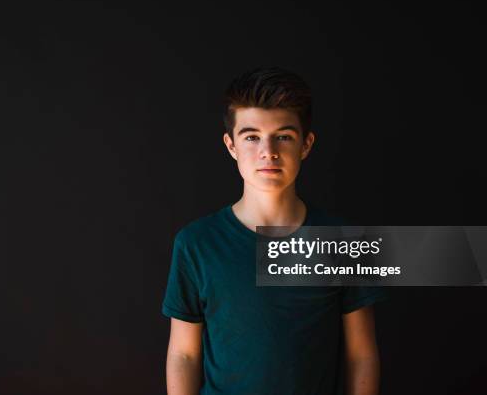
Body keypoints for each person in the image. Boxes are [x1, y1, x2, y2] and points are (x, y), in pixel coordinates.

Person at [162, 66, 388, 395]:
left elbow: (362, 354)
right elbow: (183, 353)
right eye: (251, 136)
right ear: (231, 145)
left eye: (284, 136)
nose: (268, 151)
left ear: (306, 145)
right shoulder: (196, 243)